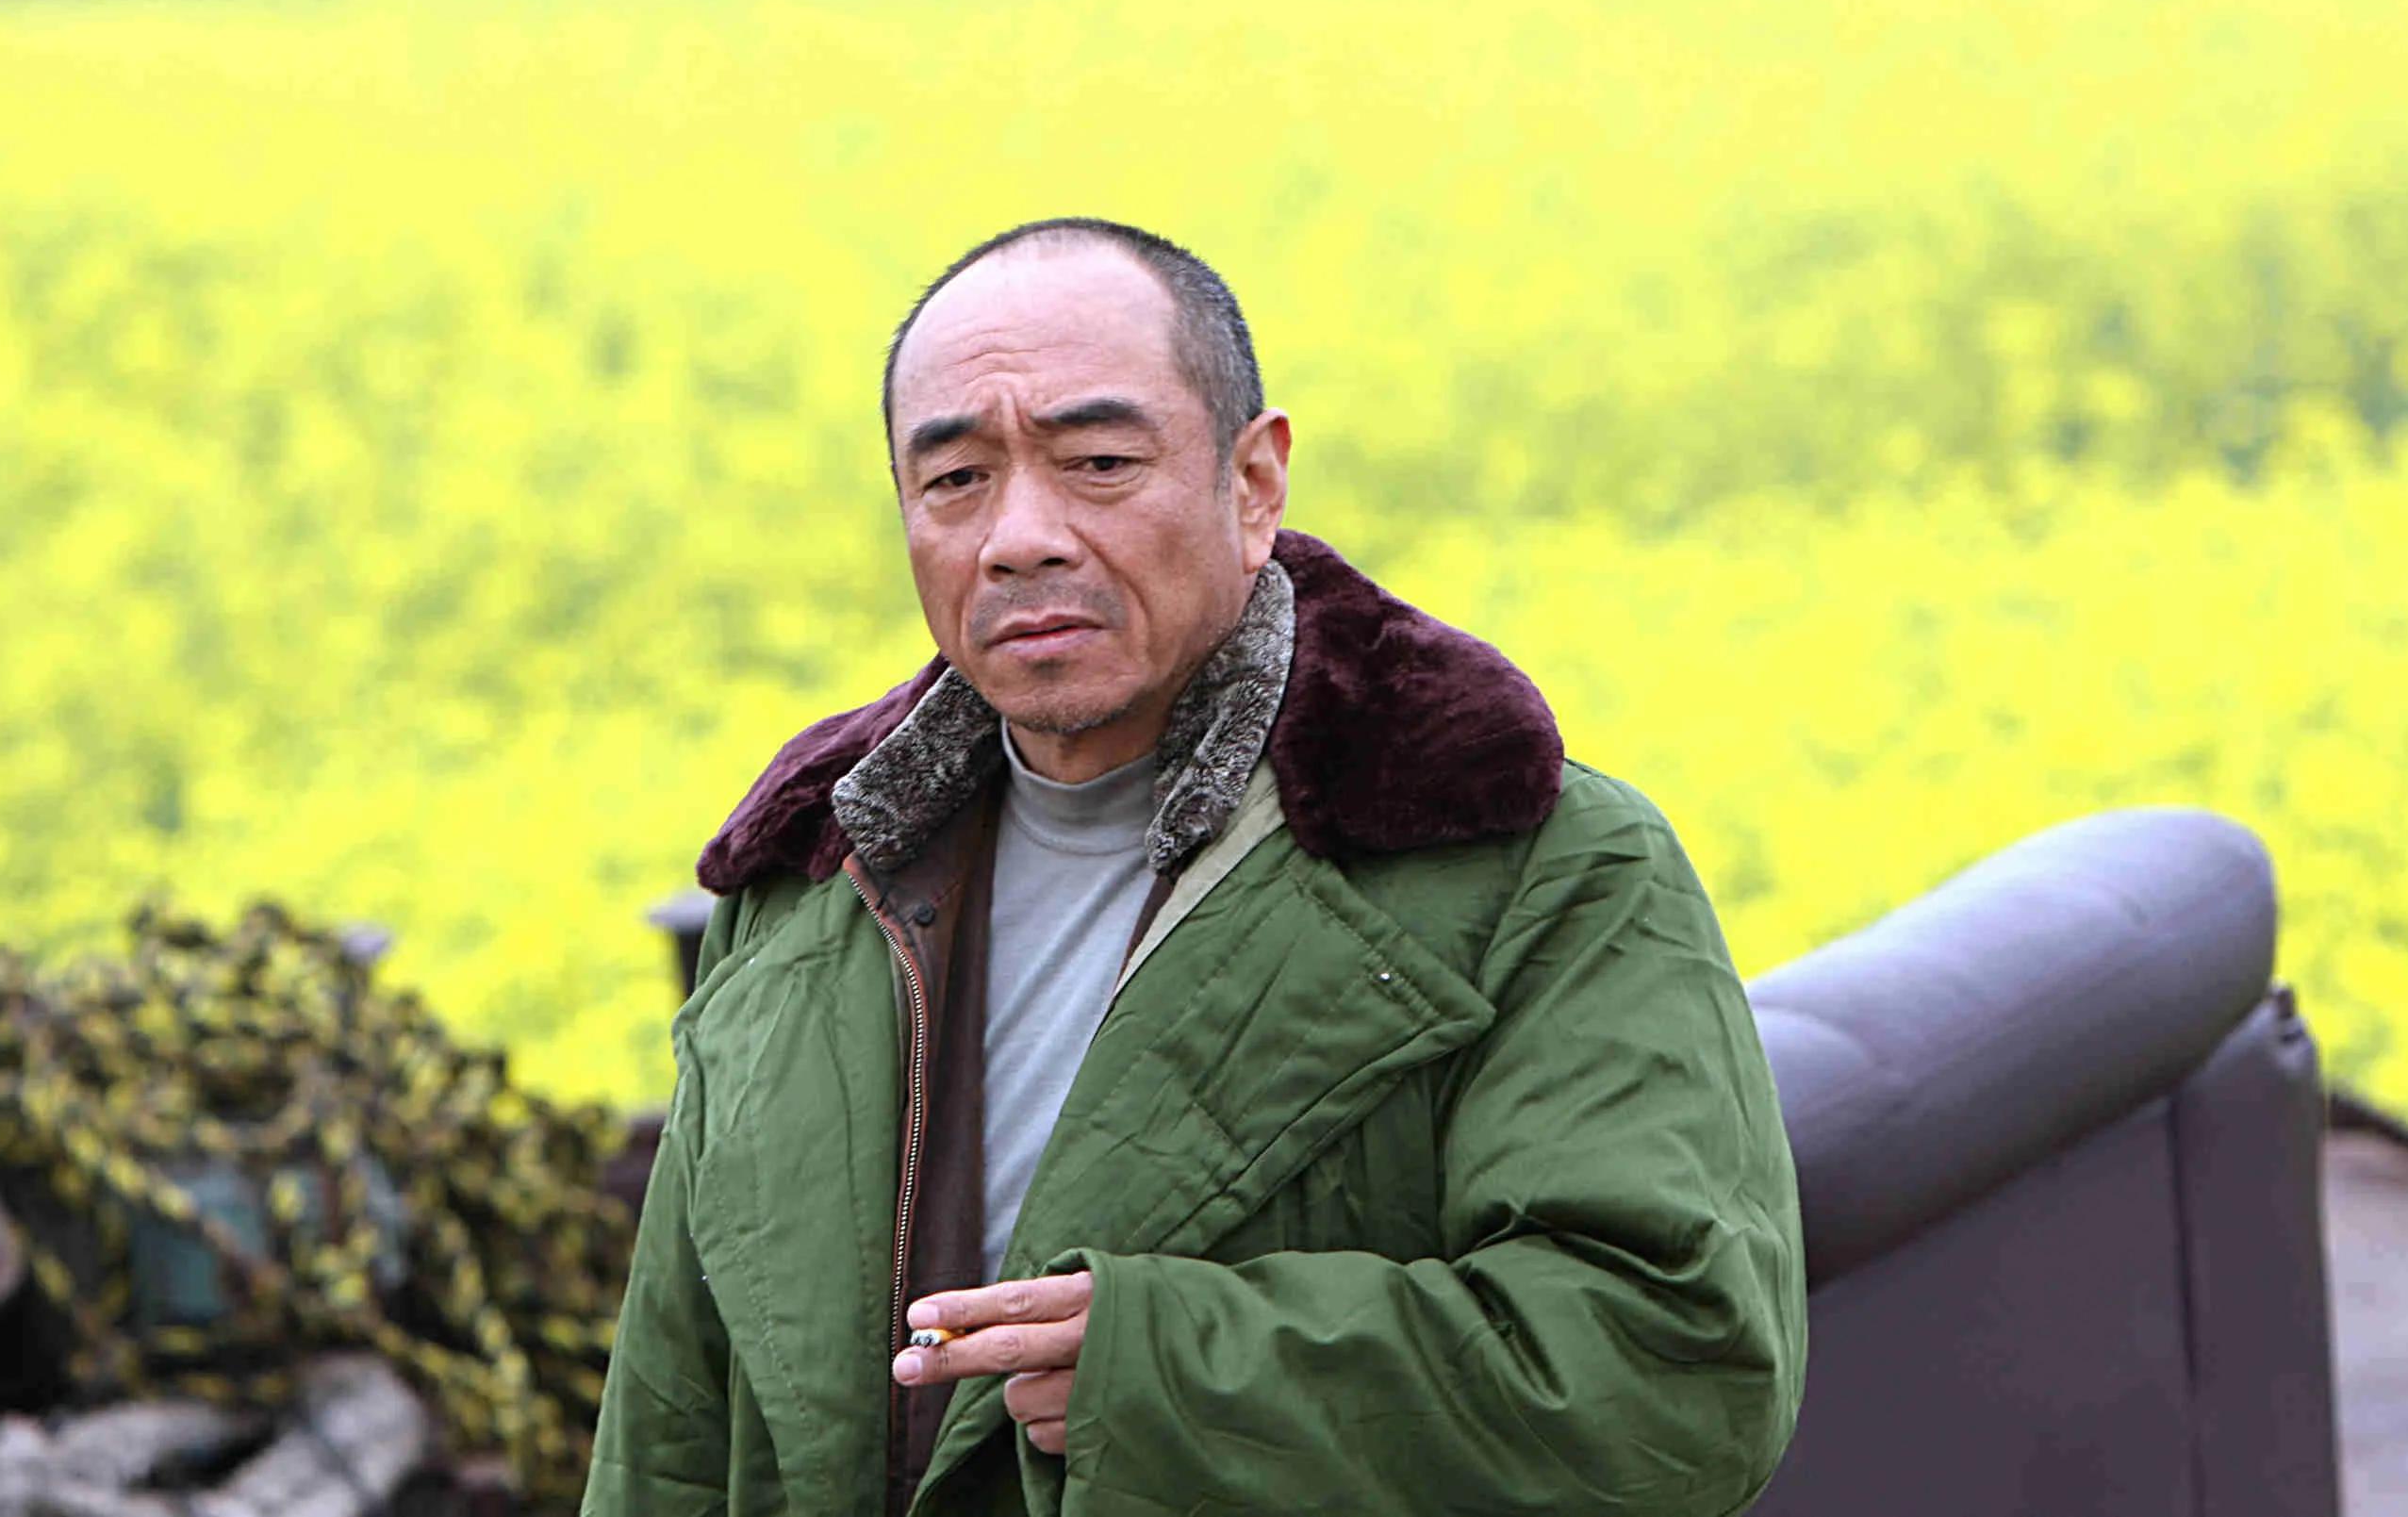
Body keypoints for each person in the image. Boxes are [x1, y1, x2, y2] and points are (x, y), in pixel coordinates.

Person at [581, 218, 1806, 1515]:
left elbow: (1678, 1368)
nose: (1018, 536)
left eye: (1098, 461)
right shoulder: (804, 892)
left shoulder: (1525, 863)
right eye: (954, 482)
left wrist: (1161, 1372)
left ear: (1253, 482)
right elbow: (671, 1435)